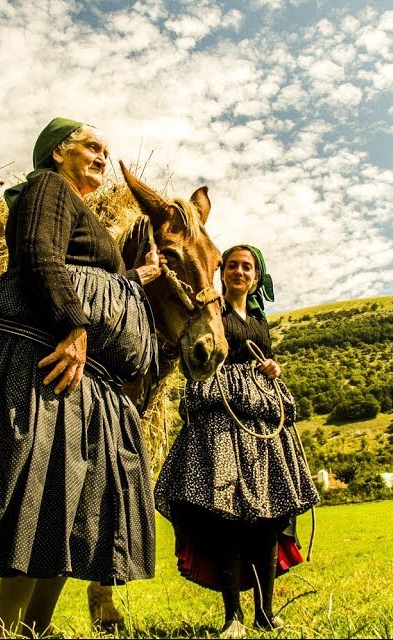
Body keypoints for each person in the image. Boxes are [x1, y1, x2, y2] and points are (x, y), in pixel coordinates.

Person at [0, 117, 165, 637]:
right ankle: (4, 628)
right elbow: (38, 255)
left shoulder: (83, 214)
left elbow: (94, 278)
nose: (102, 156)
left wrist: (134, 280)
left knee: (69, 510)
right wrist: (74, 328)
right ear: (57, 153)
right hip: (45, 361)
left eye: (106, 150)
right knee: (36, 496)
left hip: (92, 379)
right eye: (92, 147)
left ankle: (34, 630)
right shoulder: (46, 188)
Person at [154, 244, 321, 638]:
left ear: (256, 276)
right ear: (221, 272)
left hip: (263, 423)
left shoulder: (261, 320)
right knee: (225, 518)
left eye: (247, 267)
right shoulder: (212, 311)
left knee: (266, 520)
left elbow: (268, 361)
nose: (239, 272)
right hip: (222, 421)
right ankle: (233, 617)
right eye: (232, 266)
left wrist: (273, 367)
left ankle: (264, 612)